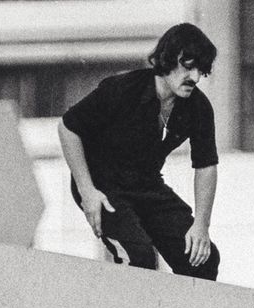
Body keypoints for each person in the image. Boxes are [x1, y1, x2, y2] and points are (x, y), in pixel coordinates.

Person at [57, 23, 220, 279]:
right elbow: (68, 128)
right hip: (103, 186)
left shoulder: (198, 107)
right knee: (139, 258)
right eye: (188, 66)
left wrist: (201, 224)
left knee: (202, 258)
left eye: (201, 70)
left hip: (147, 186)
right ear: (167, 59)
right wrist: (88, 192)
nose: (196, 77)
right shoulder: (123, 89)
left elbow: (206, 166)